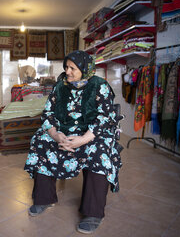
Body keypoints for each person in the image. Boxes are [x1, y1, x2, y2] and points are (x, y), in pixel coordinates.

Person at [24, 50, 122, 234]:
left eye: (72, 68)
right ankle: (44, 198)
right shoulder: (60, 85)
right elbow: (48, 113)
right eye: (66, 67)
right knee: (40, 140)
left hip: (91, 133)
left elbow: (105, 118)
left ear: (85, 69)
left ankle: (93, 213)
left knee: (99, 151)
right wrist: (55, 135)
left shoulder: (99, 86)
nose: (67, 72)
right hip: (63, 132)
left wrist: (83, 139)